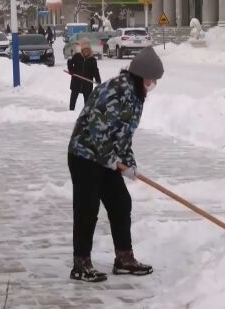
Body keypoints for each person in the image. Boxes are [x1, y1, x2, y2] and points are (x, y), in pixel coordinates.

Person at [67, 47, 164, 282]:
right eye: (151, 80)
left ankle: (124, 259)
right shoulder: (113, 91)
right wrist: (112, 158)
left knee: (121, 203)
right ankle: (81, 264)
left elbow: (123, 134)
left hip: (107, 160)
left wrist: (128, 162)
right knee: (87, 209)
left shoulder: (136, 95)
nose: (152, 85)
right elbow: (97, 127)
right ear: (140, 76)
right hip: (85, 156)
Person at [67, 40, 101, 111]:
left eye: (87, 50)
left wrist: (98, 81)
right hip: (76, 81)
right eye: (84, 49)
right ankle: (71, 110)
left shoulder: (92, 60)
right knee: (73, 97)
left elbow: (95, 71)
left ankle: (86, 113)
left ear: (90, 50)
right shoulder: (77, 56)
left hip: (87, 84)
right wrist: (71, 71)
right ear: (82, 50)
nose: (86, 51)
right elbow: (70, 63)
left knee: (87, 100)